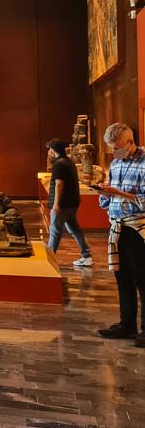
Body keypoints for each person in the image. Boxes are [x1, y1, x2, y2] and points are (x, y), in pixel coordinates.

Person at [92, 124, 145, 346]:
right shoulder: (115, 164)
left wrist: (119, 193)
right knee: (123, 278)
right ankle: (127, 324)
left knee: (142, 279)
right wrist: (104, 193)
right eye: (112, 149)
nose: (115, 153)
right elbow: (108, 201)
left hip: (137, 229)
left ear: (130, 142)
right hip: (117, 227)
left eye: (118, 148)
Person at [45, 138, 93, 266]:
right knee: (75, 229)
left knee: (55, 230)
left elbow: (59, 184)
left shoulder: (59, 164)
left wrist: (56, 204)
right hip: (72, 203)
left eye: (49, 149)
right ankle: (86, 255)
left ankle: (49, 258)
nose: (48, 152)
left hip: (63, 204)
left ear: (53, 150)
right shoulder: (68, 162)